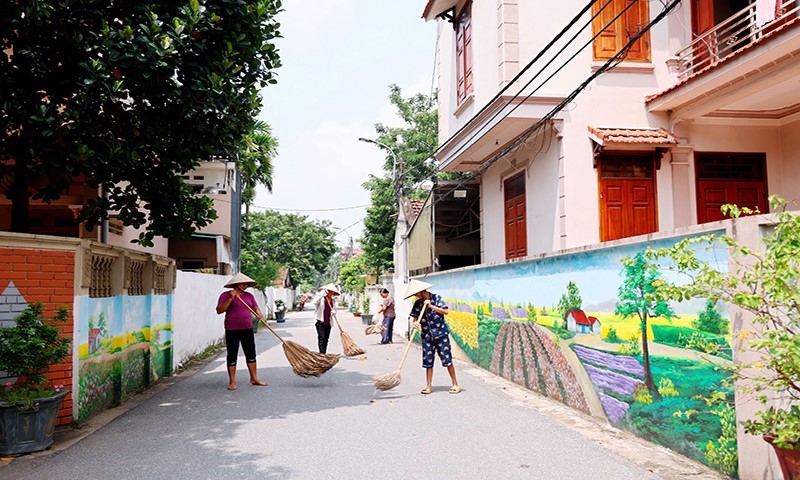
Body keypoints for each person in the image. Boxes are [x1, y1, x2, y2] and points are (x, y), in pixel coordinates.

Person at [405, 279, 461, 395]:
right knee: (428, 361)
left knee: (447, 359)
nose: (416, 296)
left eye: (416, 293)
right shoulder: (418, 303)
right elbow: (415, 318)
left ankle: (455, 383)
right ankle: (429, 386)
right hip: (427, 336)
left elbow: (445, 312)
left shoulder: (436, 298)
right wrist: (415, 323)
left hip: (441, 335)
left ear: (422, 291)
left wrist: (431, 306)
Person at [216, 272, 268, 391]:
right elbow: (219, 310)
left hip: (247, 328)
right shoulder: (225, 295)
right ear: (236, 284)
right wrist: (231, 298)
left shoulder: (249, 296)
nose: (245, 285)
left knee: (251, 353)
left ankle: (254, 378)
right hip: (232, 329)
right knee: (232, 354)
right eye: (243, 283)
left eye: (247, 283)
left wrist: (258, 313)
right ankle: (232, 381)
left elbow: (254, 307)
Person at [313, 283, 340, 354]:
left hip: (328, 322)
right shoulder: (321, 299)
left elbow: (334, 310)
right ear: (327, 291)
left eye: (332, 292)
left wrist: (333, 312)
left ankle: (324, 352)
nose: (331, 293)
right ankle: (322, 353)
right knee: (322, 338)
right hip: (321, 322)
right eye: (330, 291)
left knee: (326, 339)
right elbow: (315, 302)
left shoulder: (333, 301)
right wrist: (322, 293)